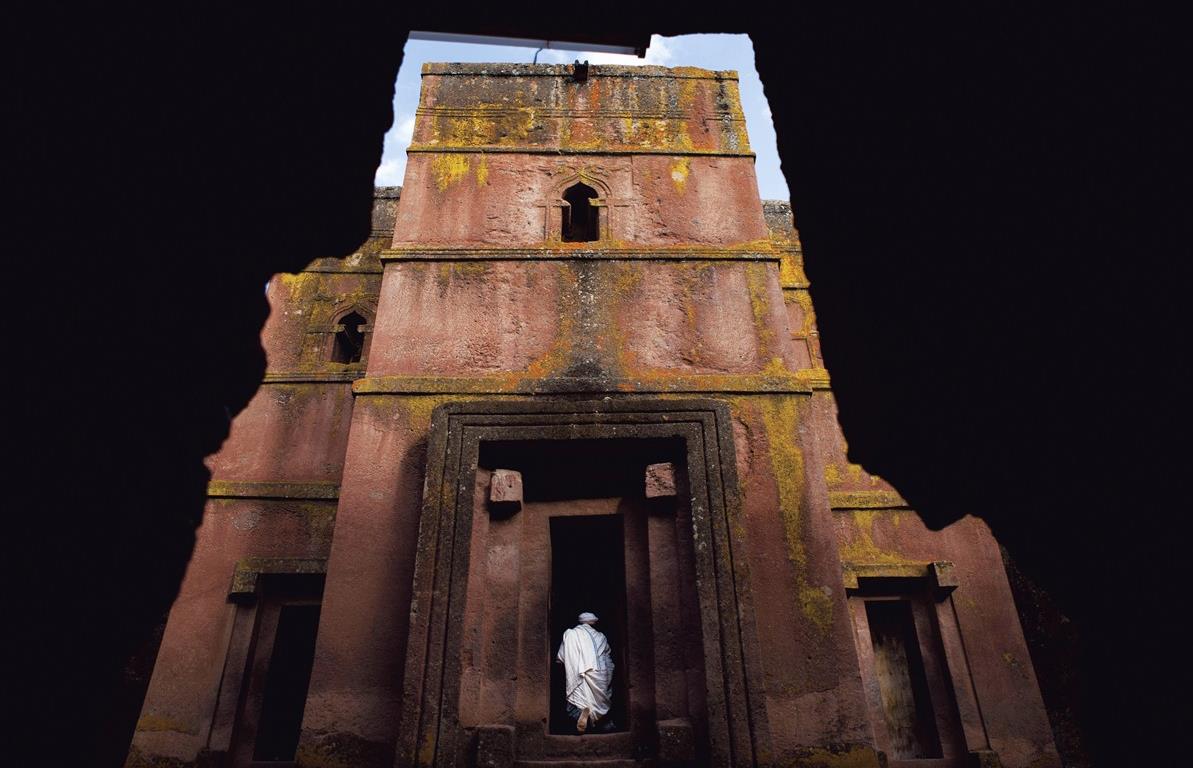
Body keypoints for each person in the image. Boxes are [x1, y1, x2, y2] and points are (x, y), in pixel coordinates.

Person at [555, 611, 615, 733]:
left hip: (580, 673)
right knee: (601, 701)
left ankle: (582, 715)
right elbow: (607, 655)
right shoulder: (601, 636)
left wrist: (573, 664)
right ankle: (600, 722)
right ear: (594, 623)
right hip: (600, 674)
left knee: (579, 698)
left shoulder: (571, 634)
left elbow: (561, 657)